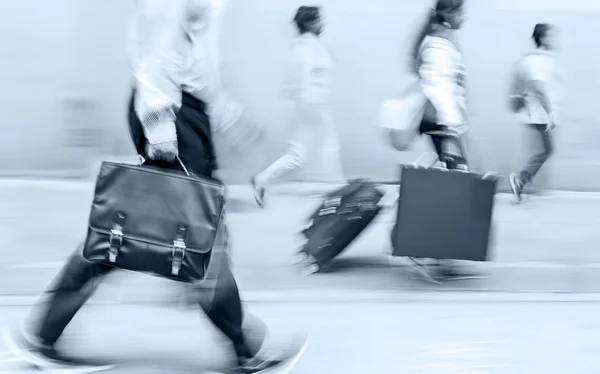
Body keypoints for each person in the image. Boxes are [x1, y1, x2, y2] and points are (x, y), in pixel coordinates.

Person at [2, 0, 307, 372]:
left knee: (135, 228)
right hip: (171, 108)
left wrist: (226, 113)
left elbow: (196, 53)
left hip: (184, 107)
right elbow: (157, 47)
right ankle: (245, 348)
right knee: (195, 229)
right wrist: (159, 120)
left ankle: (43, 335)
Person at [406, 0, 476, 281]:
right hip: (441, 123)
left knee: (451, 185)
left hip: (443, 123)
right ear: (448, 14)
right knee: (455, 187)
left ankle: (435, 254)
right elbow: (439, 89)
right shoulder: (439, 46)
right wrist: (450, 132)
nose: (465, 17)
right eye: (461, 12)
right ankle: (421, 249)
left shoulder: (441, 42)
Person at [250, 5, 342, 207]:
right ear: (309, 23)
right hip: (313, 106)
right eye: (319, 19)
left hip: (309, 107)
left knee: (298, 155)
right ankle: (338, 194)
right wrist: (310, 105)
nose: (323, 23)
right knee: (329, 148)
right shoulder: (305, 48)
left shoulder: (308, 46)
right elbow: (302, 78)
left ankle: (262, 179)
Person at [509, 23, 558, 202]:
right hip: (538, 112)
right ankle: (520, 179)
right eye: (550, 36)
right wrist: (550, 113)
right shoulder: (540, 60)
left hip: (533, 111)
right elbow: (538, 88)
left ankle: (522, 182)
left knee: (543, 150)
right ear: (543, 38)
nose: (553, 40)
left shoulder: (533, 59)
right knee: (546, 150)